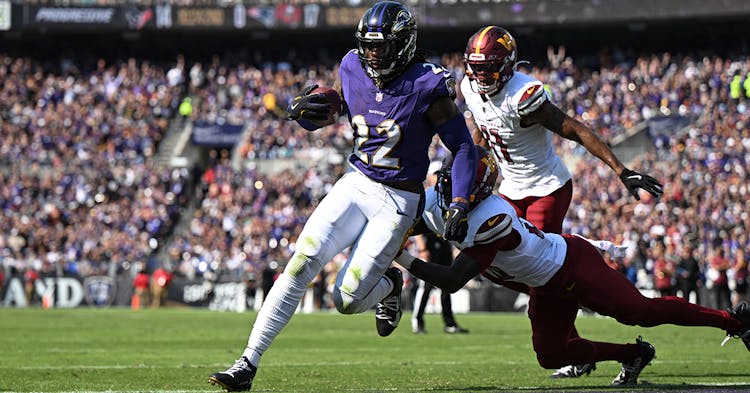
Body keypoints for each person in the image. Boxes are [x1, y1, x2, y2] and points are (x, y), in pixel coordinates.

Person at [208, 2, 478, 391]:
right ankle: (247, 363)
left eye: (380, 47)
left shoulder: (428, 84)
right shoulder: (351, 65)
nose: (371, 55)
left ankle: (389, 286)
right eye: (367, 46)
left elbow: (464, 147)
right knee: (301, 262)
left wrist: (459, 202)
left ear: (402, 45)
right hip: (357, 182)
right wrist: (318, 109)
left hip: (399, 200)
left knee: (346, 300)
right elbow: (348, 105)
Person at [394, 146, 750, 386]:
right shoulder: (432, 201)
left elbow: (453, 279)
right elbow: (402, 220)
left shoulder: (492, 218)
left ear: (481, 192)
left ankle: (734, 320)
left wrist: (401, 257)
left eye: (462, 186)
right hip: (544, 285)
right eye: (450, 181)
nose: (452, 192)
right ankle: (635, 353)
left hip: (571, 266)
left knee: (640, 311)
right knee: (550, 356)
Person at [459, 25, 665, 378]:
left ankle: (582, 293)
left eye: (488, 66)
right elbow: (481, 128)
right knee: (492, 261)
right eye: (475, 67)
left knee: (537, 270)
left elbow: (576, 129)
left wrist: (620, 169)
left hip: (546, 188)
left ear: (506, 65)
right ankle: (573, 300)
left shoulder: (524, 94)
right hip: (510, 189)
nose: (480, 75)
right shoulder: (469, 88)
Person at [412, 161, 469, 335]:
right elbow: (416, 224)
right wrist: (422, 248)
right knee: (427, 286)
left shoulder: (448, 193)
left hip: (443, 242)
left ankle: (449, 322)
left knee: (447, 284)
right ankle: (418, 320)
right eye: (436, 173)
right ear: (430, 176)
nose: (440, 177)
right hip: (430, 244)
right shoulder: (426, 194)